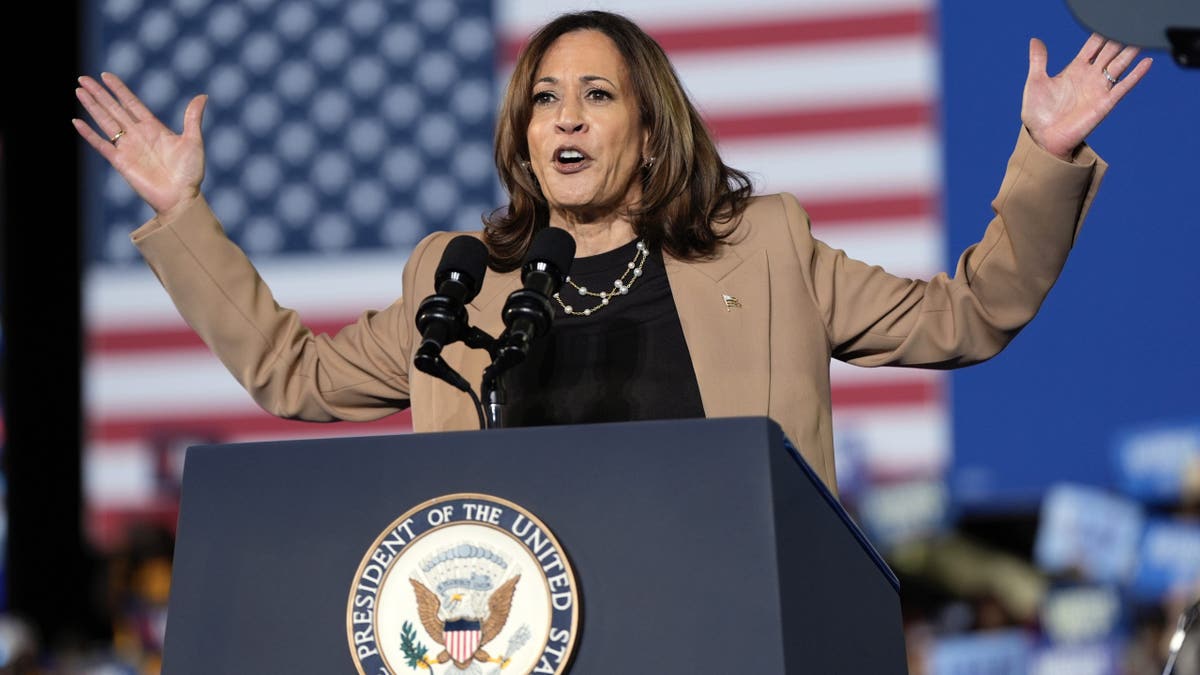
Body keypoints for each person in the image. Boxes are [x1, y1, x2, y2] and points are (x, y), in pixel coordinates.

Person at [73, 11, 1150, 496]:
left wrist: (1044, 156)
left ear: (649, 126)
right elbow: (295, 378)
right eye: (543, 99)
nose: (565, 119)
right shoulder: (464, 280)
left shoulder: (764, 252)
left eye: (596, 95)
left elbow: (969, 317)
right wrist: (184, 217)